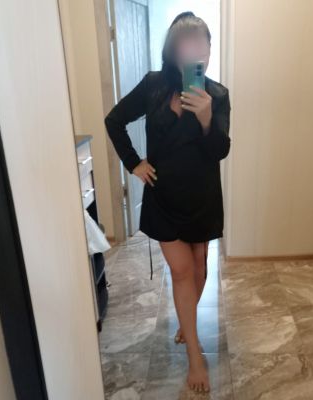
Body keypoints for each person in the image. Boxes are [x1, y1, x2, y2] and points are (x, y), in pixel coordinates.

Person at [104, 11, 231, 394]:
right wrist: (134, 163)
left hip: (202, 198)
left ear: (209, 50)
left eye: (202, 46)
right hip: (164, 198)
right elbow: (114, 120)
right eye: (187, 46)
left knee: (199, 266)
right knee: (181, 271)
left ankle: (186, 323)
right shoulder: (154, 86)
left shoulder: (218, 95)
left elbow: (220, 150)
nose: (196, 53)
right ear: (174, 52)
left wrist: (207, 118)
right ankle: (194, 354)